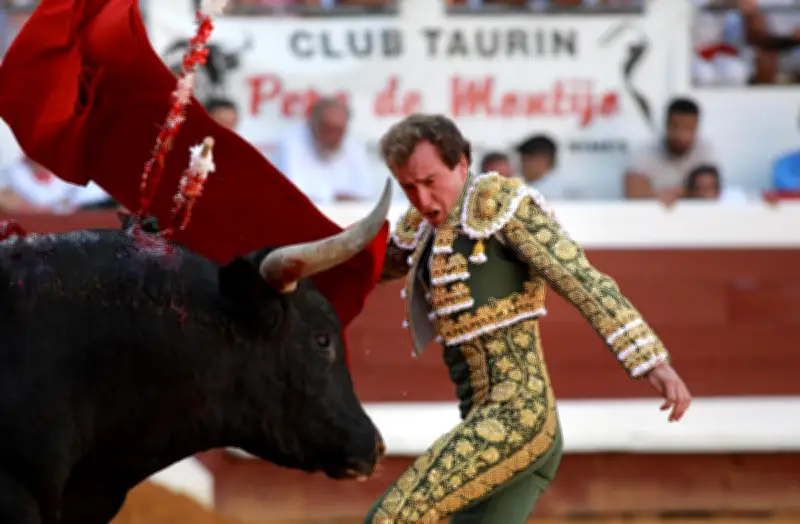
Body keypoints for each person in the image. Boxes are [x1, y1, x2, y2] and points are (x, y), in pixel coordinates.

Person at [370, 114, 692, 524]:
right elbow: (364, 267)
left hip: (518, 419)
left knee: (392, 519)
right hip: (491, 424)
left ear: (462, 164)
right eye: (408, 187)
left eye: (431, 182)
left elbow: (582, 280)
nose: (422, 199)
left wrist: (652, 361)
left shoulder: (501, 207)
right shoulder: (419, 226)